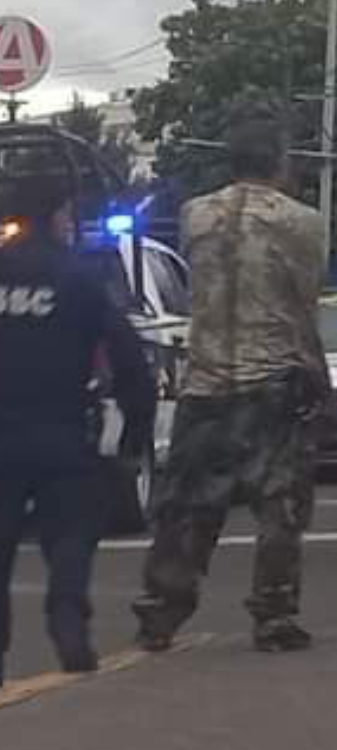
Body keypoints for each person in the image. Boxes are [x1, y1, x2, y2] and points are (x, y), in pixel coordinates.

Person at [131, 101, 330, 654]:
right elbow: (302, 306)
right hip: (273, 380)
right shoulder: (303, 223)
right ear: (279, 163)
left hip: (206, 380)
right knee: (280, 503)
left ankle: (161, 609)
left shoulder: (196, 214)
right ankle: (272, 614)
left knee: (188, 504)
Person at [0, 178, 155, 686]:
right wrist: (136, 430)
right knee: (71, 534)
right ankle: (69, 624)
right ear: (57, 216)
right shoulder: (78, 278)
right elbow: (129, 357)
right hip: (62, 430)